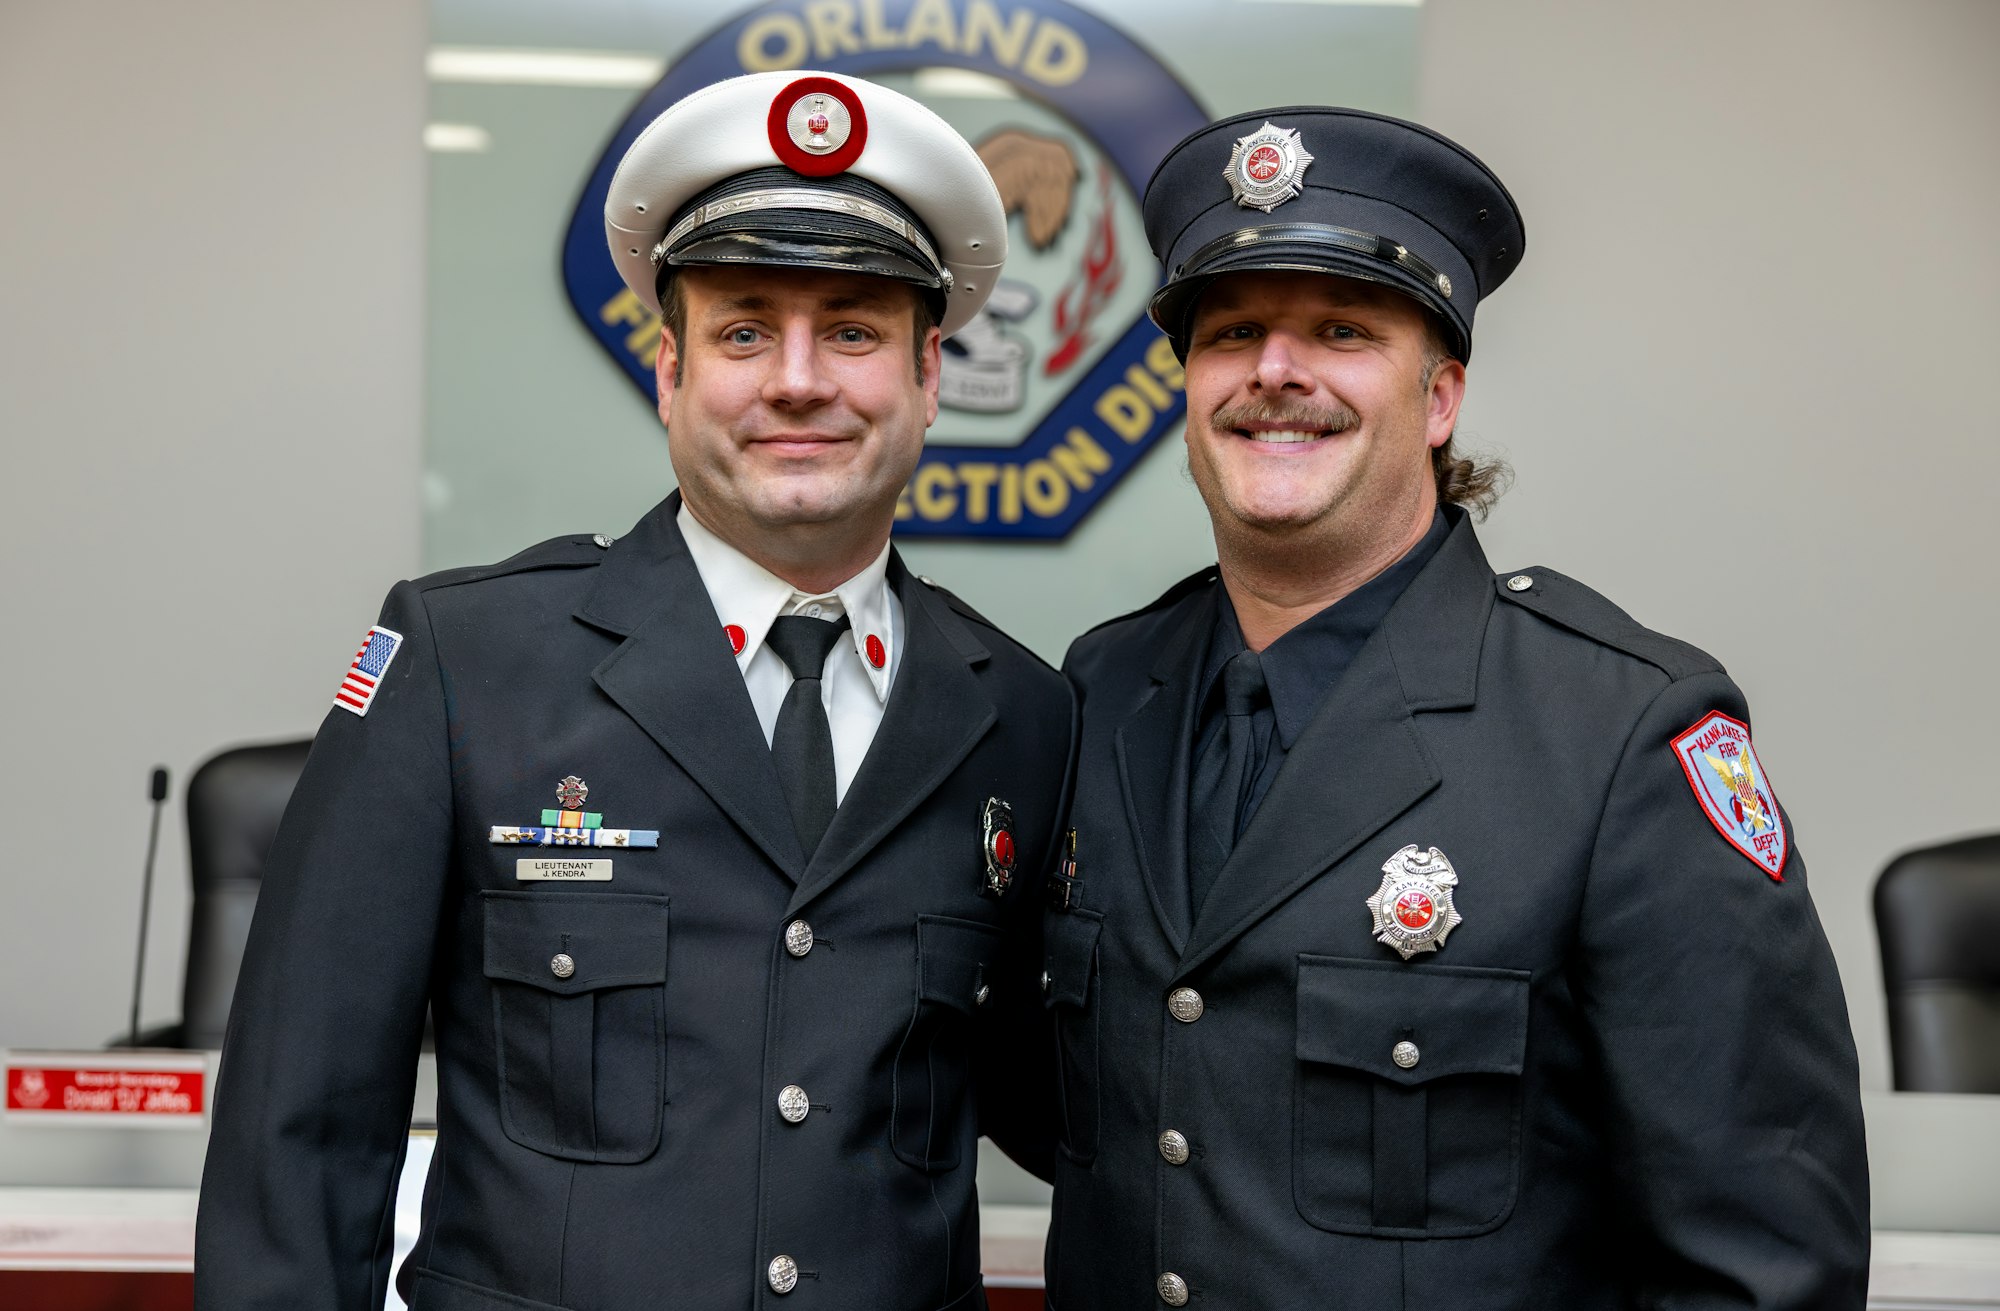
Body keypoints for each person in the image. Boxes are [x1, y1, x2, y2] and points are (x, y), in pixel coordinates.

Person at [195, 71, 1072, 1310]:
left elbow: (1079, 1112)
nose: (798, 379)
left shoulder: (1020, 718)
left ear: (929, 375)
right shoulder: (464, 660)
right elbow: (301, 1126)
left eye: (856, 331)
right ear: (670, 372)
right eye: (743, 330)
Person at [1039, 107, 1868, 1308]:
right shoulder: (1103, 692)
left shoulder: (1621, 734)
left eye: (1339, 329)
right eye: (1232, 334)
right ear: (1186, 389)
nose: (1275, 371)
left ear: (1438, 399)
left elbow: (1763, 1263)